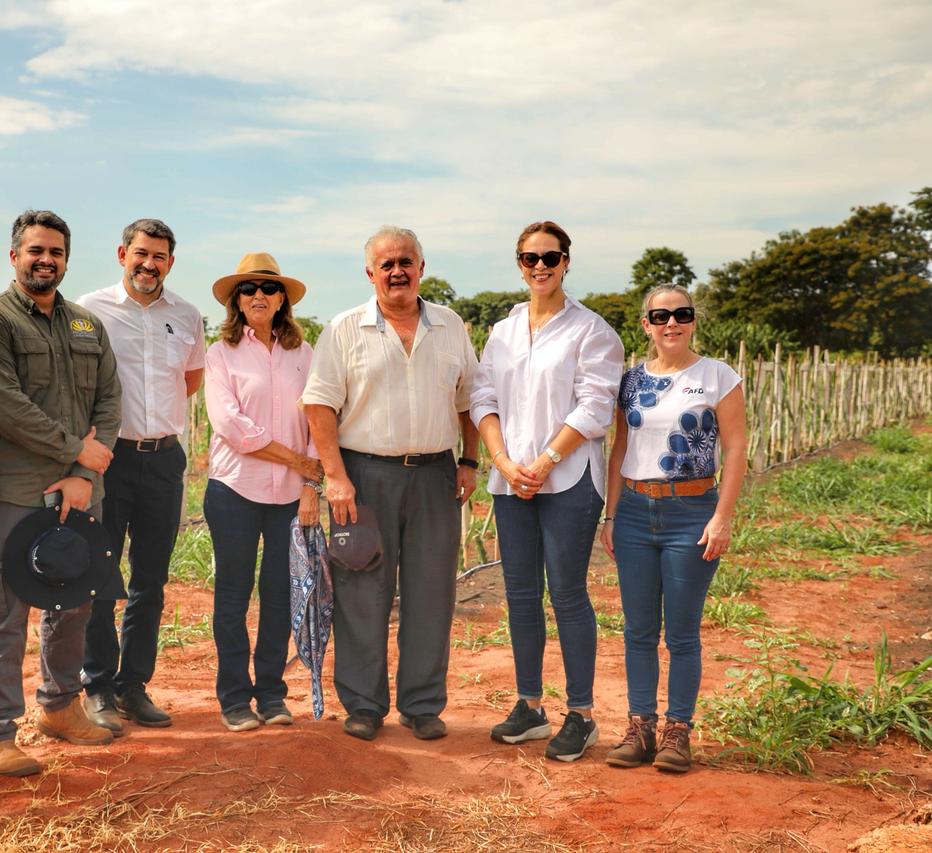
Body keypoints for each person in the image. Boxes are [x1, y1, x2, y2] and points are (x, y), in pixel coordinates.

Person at [0, 210, 122, 777]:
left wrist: (87, 477)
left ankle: (58, 708)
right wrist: (76, 453)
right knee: (5, 609)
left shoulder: (85, 326)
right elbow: (6, 408)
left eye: (55, 251)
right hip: (13, 489)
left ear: (66, 260)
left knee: (74, 600)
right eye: (35, 250)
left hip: (79, 493)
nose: (45, 260)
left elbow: (108, 403)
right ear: (14, 257)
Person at [302, 226, 479, 742]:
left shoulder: (449, 327)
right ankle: (363, 705)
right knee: (361, 589)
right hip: (364, 477)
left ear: (422, 267)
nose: (397, 270)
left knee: (432, 591)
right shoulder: (344, 328)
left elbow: (470, 398)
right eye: (387, 264)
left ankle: (422, 705)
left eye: (406, 261)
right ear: (370, 273)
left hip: (434, 476)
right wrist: (335, 476)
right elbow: (318, 405)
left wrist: (469, 460)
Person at [470, 220, 624, 762]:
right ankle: (530, 705)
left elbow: (595, 405)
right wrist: (503, 462)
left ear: (566, 261)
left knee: (566, 591)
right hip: (512, 480)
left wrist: (543, 460)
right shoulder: (503, 330)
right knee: (518, 593)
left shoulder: (592, 331)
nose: (540, 266)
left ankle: (581, 714)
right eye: (529, 257)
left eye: (550, 257)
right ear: (518, 263)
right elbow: (482, 395)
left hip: (567, 480)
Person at [601, 284, 745, 773]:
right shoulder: (631, 380)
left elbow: (736, 448)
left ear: (693, 321)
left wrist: (722, 516)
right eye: (660, 316)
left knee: (681, 633)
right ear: (646, 324)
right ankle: (639, 726)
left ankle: (677, 731)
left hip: (692, 513)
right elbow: (619, 449)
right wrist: (612, 515)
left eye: (681, 314)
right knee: (638, 630)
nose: (671, 323)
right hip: (637, 513)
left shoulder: (717, 376)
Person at [78, 219, 205, 732]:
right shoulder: (90, 310)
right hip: (111, 459)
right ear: (121, 254)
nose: (149, 264)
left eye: (159, 257)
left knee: (151, 580)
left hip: (165, 459)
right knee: (102, 580)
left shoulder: (188, 315)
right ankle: (98, 686)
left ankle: (134, 685)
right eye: (141, 253)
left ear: (170, 263)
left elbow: (190, 380)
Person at [203, 252, 321, 731]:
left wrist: (310, 483)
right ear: (237, 299)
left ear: (281, 300)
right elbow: (232, 426)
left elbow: (318, 417)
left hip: (291, 496)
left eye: (268, 289)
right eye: (248, 289)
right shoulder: (220, 353)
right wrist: (296, 461)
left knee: (279, 594)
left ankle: (272, 694)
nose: (258, 296)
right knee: (233, 595)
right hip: (234, 490)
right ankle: (234, 698)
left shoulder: (304, 354)